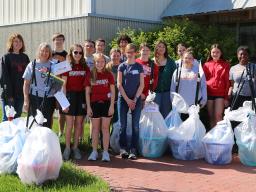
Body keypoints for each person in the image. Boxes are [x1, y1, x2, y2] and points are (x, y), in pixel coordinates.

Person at [61, 44, 90, 160]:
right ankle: (67, 148)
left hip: (81, 97)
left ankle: (75, 147)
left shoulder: (85, 67)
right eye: (75, 52)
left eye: (80, 52)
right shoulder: (66, 66)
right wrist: (64, 103)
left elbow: (88, 85)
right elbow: (63, 86)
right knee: (69, 125)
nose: (78, 54)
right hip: (69, 96)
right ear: (71, 53)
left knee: (78, 124)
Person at [86, 53, 115, 162]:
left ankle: (105, 152)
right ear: (94, 63)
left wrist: (112, 106)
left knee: (105, 129)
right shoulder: (90, 75)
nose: (100, 64)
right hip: (94, 104)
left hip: (106, 104)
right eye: (97, 62)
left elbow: (112, 91)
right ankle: (94, 151)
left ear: (105, 62)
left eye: (102, 62)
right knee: (95, 129)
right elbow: (87, 92)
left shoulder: (109, 74)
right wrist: (88, 107)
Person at [117, 43, 144, 160]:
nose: (130, 54)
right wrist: (128, 100)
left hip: (136, 99)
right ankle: (123, 149)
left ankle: (133, 149)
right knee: (122, 125)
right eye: (128, 52)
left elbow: (142, 84)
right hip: (123, 99)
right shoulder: (121, 66)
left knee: (135, 126)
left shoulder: (139, 67)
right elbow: (119, 84)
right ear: (125, 53)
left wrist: (135, 99)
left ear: (136, 53)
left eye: (132, 52)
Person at [23, 43, 56, 128]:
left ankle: (46, 140)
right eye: (42, 51)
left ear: (49, 53)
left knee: (47, 123)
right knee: (34, 122)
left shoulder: (53, 65)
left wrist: (58, 100)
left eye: (47, 51)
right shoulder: (32, 64)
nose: (44, 53)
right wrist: (26, 100)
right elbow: (26, 84)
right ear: (39, 51)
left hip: (49, 99)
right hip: (35, 98)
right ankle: (34, 140)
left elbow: (57, 83)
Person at [170, 49, 207, 121]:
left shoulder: (199, 71)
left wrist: (204, 99)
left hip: (194, 104)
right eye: (186, 58)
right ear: (182, 59)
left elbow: (203, 86)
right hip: (181, 105)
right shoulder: (177, 71)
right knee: (181, 126)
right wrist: (173, 101)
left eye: (190, 58)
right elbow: (173, 87)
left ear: (193, 59)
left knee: (192, 126)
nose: (188, 59)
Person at [1, 33, 30, 121]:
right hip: (9, 94)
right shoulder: (6, 57)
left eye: (20, 41)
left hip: (21, 94)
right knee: (7, 119)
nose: (18, 43)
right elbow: (4, 77)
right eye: (15, 41)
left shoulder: (25, 57)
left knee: (17, 119)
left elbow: (29, 75)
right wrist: (9, 95)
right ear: (11, 43)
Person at [203, 44, 230, 128]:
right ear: (210, 53)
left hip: (220, 95)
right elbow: (203, 81)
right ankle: (212, 139)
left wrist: (226, 98)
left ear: (221, 53)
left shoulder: (226, 65)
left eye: (217, 52)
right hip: (209, 93)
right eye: (213, 52)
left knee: (218, 116)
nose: (215, 54)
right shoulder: (206, 65)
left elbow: (227, 82)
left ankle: (220, 138)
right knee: (211, 117)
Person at [153, 41, 176, 118]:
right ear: (156, 48)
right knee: (155, 116)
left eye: (163, 47)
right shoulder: (152, 62)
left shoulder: (171, 62)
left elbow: (175, 78)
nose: (161, 48)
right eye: (159, 46)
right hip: (154, 93)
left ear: (166, 49)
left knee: (166, 115)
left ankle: (166, 130)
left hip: (167, 92)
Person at [51, 33, 68, 137]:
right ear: (53, 41)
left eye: (60, 39)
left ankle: (61, 131)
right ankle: (50, 131)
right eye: (56, 39)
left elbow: (67, 70)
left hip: (62, 85)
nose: (58, 41)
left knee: (62, 111)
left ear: (63, 41)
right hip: (50, 85)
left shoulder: (67, 55)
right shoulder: (49, 53)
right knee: (50, 110)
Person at [106, 48, 122, 123]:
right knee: (106, 120)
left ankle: (114, 135)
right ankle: (104, 135)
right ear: (110, 56)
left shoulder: (123, 67)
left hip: (119, 97)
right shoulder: (106, 68)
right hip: (107, 98)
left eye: (117, 55)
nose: (115, 57)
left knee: (117, 120)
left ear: (120, 56)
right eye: (114, 55)